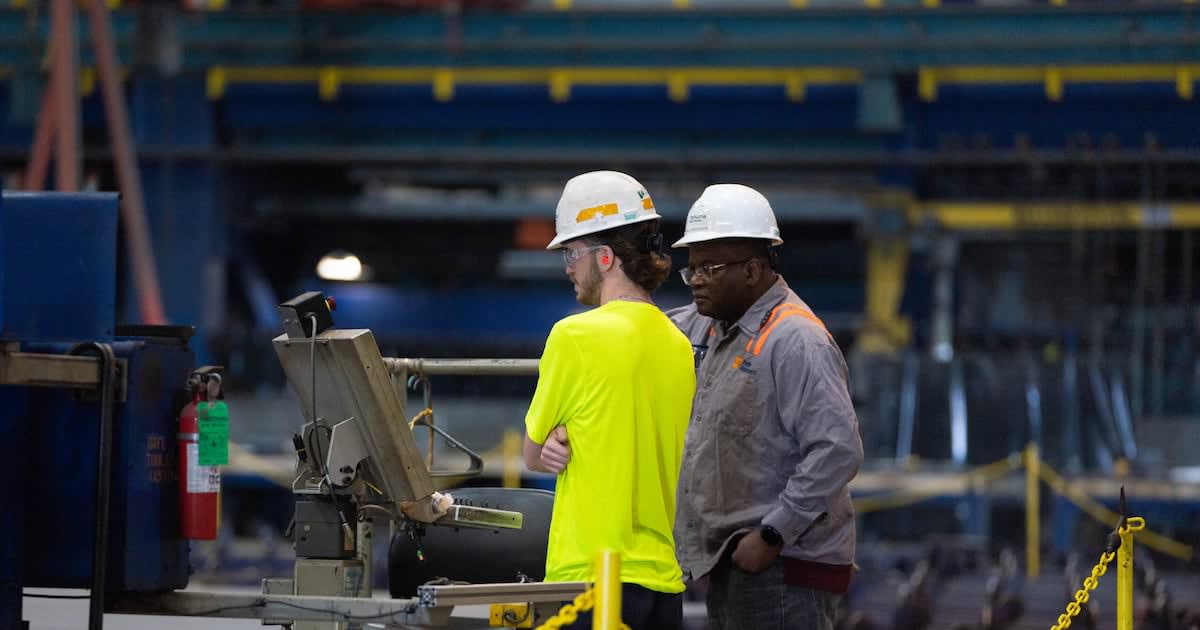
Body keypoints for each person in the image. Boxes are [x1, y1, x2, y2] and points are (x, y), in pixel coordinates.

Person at [667, 184, 864, 630]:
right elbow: (644, 331)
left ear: (753, 270)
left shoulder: (795, 340)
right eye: (692, 268)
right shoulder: (715, 325)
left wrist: (773, 534)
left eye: (709, 268)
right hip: (738, 561)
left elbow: (836, 450)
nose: (695, 279)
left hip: (782, 566)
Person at [523, 170, 696, 630]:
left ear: (604, 257)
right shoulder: (678, 344)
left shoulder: (574, 336)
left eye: (571, 253)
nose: (567, 266)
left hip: (590, 581)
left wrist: (555, 440)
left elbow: (531, 454)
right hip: (662, 584)